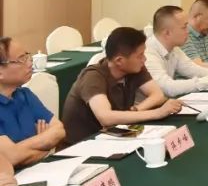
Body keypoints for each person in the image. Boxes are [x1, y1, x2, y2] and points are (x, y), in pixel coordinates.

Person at [60, 27, 183, 146]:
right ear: (119, 61)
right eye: (140, 55)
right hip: (81, 146)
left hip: (114, 138)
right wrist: (157, 113)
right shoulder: (92, 77)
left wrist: (136, 110)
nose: (144, 59)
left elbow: (157, 95)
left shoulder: (134, 68)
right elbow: (105, 117)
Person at [0, 37, 65, 166]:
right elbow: (11, 158)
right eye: (21, 60)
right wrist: (44, 146)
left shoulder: (25, 94)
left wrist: (19, 148)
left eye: (27, 56)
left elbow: (59, 130)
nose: (30, 63)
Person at [147, 5, 208, 96]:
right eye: (184, 27)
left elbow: (192, 69)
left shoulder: (174, 48)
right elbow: (168, 87)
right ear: (167, 33)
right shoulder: (148, 53)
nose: (188, 31)